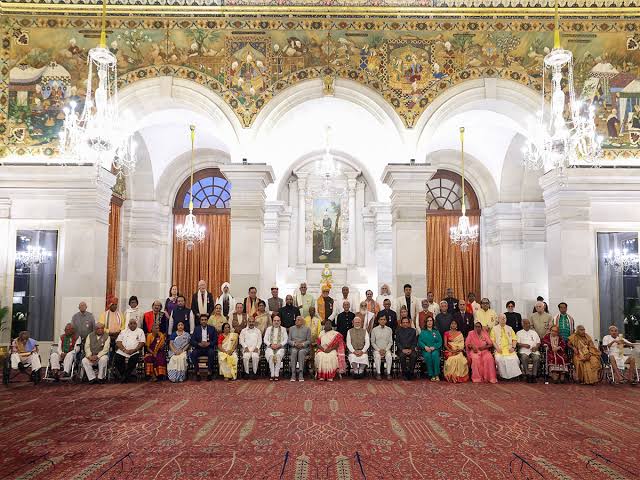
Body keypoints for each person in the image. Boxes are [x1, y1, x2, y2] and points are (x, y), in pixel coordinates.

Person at [490, 314, 522, 380]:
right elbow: (493, 340)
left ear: (506, 319)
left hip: (509, 349)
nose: (503, 319)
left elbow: (514, 339)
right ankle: (503, 376)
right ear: (498, 320)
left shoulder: (510, 328)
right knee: (500, 359)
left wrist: (513, 347)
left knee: (515, 359)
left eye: (504, 318)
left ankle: (513, 376)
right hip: (499, 349)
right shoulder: (494, 328)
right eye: (501, 318)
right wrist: (497, 348)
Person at [114, 319, 145, 383]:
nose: (132, 325)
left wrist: (134, 350)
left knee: (133, 360)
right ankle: (126, 376)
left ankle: (124, 377)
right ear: (128, 325)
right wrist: (124, 350)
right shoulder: (123, 331)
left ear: (136, 324)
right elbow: (118, 342)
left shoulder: (140, 331)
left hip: (134, 351)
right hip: (123, 350)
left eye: (134, 323)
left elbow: (142, 342)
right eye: (131, 323)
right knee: (117, 359)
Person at [190, 314, 218, 381]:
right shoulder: (196, 329)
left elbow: (215, 340)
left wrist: (209, 343)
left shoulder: (212, 329)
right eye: (202, 320)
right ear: (200, 321)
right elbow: (192, 341)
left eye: (205, 320)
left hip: (208, 348)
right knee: (193, 354)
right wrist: (198, 344)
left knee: (211, 353)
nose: (204, 321)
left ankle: (209, 372)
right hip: (199, 348)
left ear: (207, 320)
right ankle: (197, 372)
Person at [516, 318, 541, 383]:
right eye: (526, 323)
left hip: (533, 350)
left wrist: (536, 347)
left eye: (529, 323)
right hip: (524, 350)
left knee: (536, 358)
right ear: (522, 325)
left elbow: (538, 342)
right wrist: (524, 345)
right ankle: (528, 375)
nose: (528, 325)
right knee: (524, 357)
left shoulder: (534, 332)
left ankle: (534, 375)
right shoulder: (519, 333)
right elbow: (517, 343)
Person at [418, 316, 442, 381]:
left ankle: (436, 374)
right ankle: (431, 375)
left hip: (435, 349)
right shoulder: (423, 332)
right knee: (428, 356)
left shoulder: (436, 331)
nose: (429, 322)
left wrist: (434, 347)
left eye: (431, 320)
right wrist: (425, 347)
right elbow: (420, 341)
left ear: (433, 322)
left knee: (435, 355)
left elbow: (440, 341)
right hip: (426, 350)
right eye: (428, 321)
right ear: (426, 322)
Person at [264, 315, 288, 381]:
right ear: (272, 321)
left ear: (280, 322)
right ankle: (272, 374)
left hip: (280, 347)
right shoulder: (268, 329)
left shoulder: (283, 329)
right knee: (271, 355)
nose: (276, 322)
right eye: (275, 320)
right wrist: (270, 345)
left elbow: (286, 339)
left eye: (278, 321)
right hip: (270, 347)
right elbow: (265, 339)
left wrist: (279, 345)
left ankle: (276, 374)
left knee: (278, 355)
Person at [288, 315, 311, 382]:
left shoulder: (307, 329)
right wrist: (294, 344)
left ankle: (301, 373)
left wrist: (302, 344)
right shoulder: (291, 328)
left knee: (301, 352)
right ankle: (293, 373)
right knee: (294, 352)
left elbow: (309, 341)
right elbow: (288, 340)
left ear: (303, 322)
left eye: (298, 320)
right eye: (296, 320)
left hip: (303, 348)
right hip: (294, 347)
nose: (296, 321)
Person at [371, 315, 393, 380]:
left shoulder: (389, 329)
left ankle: (388, 373)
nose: (382, 321)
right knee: (377, 356)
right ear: (378, 321)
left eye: (384, 319)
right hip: (377, 350)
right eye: (381, 319)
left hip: (386, 349)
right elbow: (372, 342)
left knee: (389, 356)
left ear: (386, 321)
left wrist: (385, 350)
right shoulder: (374, 330)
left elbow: (390, 342)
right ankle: (378, 373)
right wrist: (379, 350)